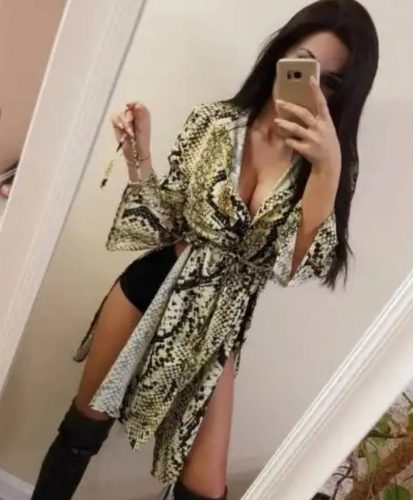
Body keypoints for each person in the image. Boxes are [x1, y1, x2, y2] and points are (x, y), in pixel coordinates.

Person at [31, 1, 379, 499]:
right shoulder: (215, 123)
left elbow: (293, 267)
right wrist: (140, 158)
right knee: (82, 430)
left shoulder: (328, 167)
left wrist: (327, 170)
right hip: (148, 288)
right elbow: (166, 222)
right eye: (303, 66)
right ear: (280, 55)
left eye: (332, 82)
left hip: (218, 326)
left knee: (204, 488)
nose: (312, 88)